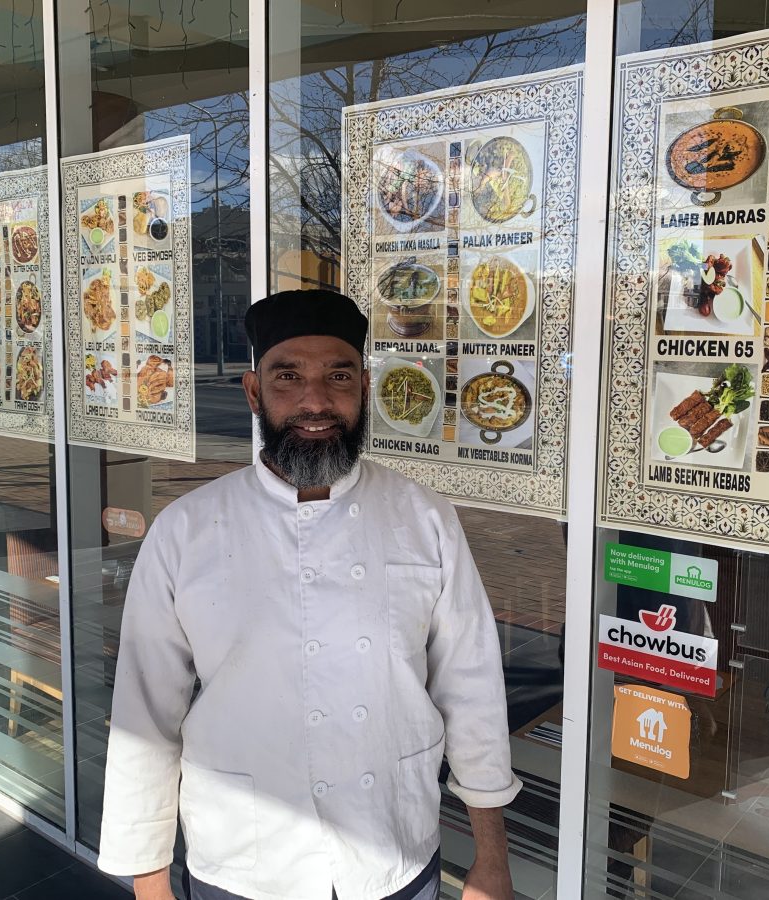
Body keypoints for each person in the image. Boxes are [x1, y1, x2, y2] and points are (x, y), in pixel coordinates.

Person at [98, 289, 522, 900]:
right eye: (288, 376)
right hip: (242, 863)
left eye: (339, 376)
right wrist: (150, 879)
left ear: (365, 387)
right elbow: (146, 711)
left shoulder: (424, 518)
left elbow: (472, 688)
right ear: (253, 392)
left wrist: (492, 858)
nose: (316, 401)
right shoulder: (186, 530)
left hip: (394, 852)